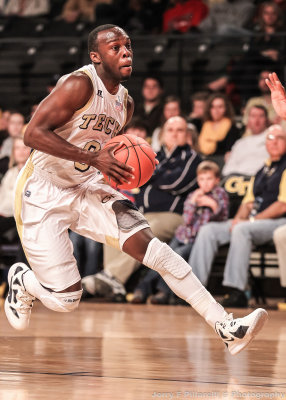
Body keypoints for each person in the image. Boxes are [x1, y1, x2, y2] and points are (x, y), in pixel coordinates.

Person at [5, 24, 268, 357]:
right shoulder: (79, 85)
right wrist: (92, 158)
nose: (125, 52)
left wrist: (122, 168)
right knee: (66, 299)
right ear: (96, 56)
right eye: (115, 47)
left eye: (128, 45)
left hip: (87, 185)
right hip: (43, 190)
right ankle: (23, 282)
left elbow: (106, 148)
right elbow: (32, 134)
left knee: (154, 248)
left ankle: (226, 327)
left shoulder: (125, 104)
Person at [85, 115, 201, 301]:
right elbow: (138, 178)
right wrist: (154, 173)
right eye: (170, 130)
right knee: (116, 223)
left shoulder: (192, 158)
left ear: (187, 135)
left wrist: (151, 173)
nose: (174, 134)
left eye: (180, 130)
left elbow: (175, 183)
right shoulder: (154, 155)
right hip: (145, 212)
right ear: (162, 134)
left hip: (173, 216)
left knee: (141, 229)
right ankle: (114, 284)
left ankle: (112, 277)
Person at [189, 124, 286, 307]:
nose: (274, 142)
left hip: (278, 222)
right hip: (253, 222)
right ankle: (193, 289)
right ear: (265, 143)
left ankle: (237, 291)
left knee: (241, 229)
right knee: (209, 230)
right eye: (270, 138)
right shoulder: (261, 170)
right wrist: (238, 219)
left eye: (279, 138)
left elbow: (282, 206)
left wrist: (249, 221)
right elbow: (247, 202)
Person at [131, 160, 229, 305]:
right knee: (162, 256)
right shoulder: (194, 195)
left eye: (209, 179)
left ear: (217, 180)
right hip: (183, 235)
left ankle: (163, 292)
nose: (205, 183)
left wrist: (213, 205)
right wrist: (192, 203)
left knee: (177, 257)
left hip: (197, 240)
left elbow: (222, 218)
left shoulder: (221, 194)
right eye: (202, 179)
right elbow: (187, 220)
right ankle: (143, 287)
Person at [222, 106, 270, 177]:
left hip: (261, 180)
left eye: (261, 116)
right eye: (253, 116)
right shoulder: (240, 143)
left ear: (266, 120)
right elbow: (227, 170)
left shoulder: (273, 139)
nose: (257, 120)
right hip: (237, 181)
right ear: (248, 120)